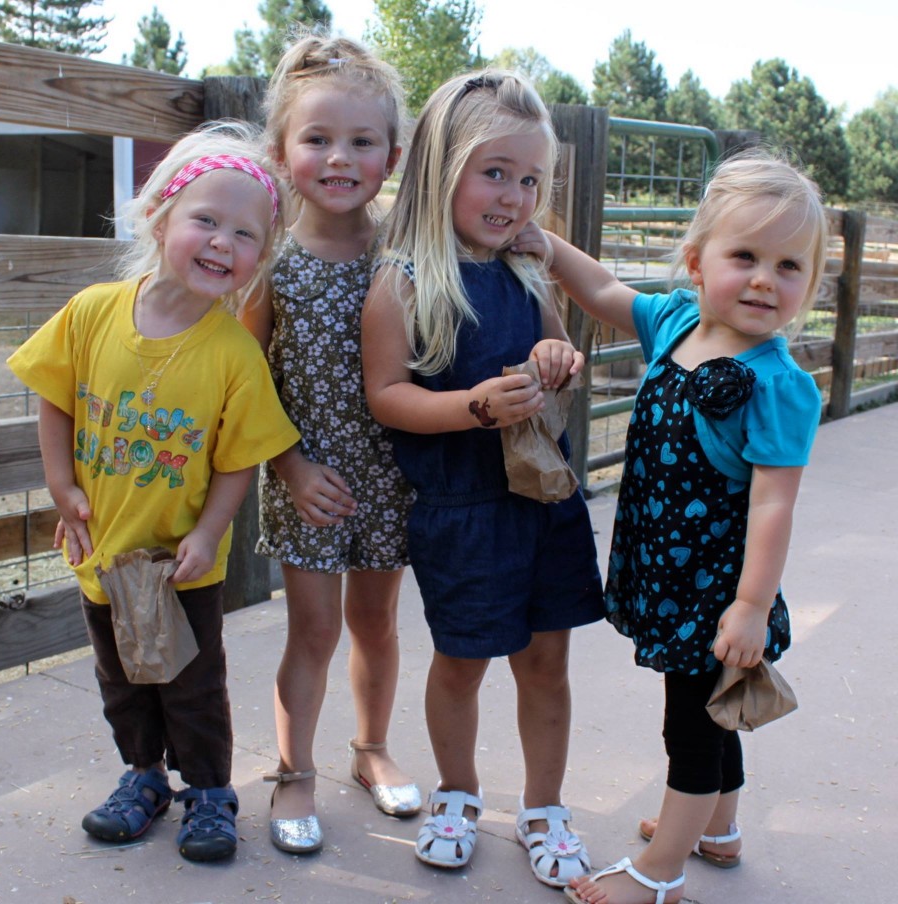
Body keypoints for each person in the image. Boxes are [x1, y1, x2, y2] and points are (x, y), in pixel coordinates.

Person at [511, 150, 827, 904]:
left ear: (809, 285)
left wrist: (749, 606)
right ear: (696, 262)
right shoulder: (679, 324)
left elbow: (774, 504)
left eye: (789, 267)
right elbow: (602, 290)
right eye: (744, 255)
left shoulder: (776, 385)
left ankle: (660, 876)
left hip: (718, 591)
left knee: (691, 729)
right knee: (713, 714)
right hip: (665, 571)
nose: (763, 279)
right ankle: (716, 830)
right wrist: (547, 246)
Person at [7, 122, 300, 863]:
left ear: (259, 258)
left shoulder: (234, 354)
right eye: (206, 220)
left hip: (180, 563)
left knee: (192, 683)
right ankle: (143, 777)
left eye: (245, 235)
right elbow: (55, 395)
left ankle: (208, 790)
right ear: (160, 216)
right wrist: (59, 483)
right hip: (102, 550)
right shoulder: (93, 312)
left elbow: (240, 457)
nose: (222, 243)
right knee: (120, 678)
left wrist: (209, 533)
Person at [361, 69, 605, 886]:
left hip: (542, 502)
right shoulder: (403, 282)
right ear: (441, 169)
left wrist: (554, 359)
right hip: (461, 510)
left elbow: (558, 357)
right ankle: (458, 792)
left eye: (531, 179)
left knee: (546, 664)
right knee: (461, 663)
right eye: (494, 172)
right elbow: (388, 397)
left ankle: (544, 806)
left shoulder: (529, 270)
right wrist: (470, 405)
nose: (514, 197)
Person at [239, 33, 419, 854]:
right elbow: (244, 381)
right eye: (317, 139)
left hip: (391, 475)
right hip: (305, 472)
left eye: (361, 140)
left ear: (393, 154)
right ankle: (293, 770)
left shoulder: (408, 256)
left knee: (377, 624)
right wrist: (289, 463)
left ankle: (372, 747)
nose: (339, 157)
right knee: (312, 631)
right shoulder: (268, 259)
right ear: (282, 152)